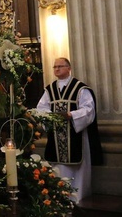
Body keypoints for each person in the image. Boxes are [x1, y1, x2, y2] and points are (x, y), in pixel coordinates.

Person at [36, 57, 102, 203]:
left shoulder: (80, 88)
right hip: (56, 135)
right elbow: (41, 108)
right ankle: (59, 195)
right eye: (55, 67)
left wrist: (71, 115)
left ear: (69, 68)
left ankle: (77, 196)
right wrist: (49, 117)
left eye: (60, 66)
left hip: (75, 133)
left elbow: (88, 109)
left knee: (76, 168)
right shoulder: (50, 90)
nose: (57, 69)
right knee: (58, 167)